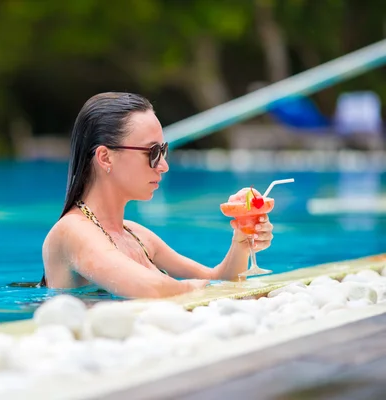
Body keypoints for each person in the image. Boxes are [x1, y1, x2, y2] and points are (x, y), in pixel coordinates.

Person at [40, 92, 274, 298]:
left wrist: (242, 239)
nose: (163, 165)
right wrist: (205, 290)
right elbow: (149, 288)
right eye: (152, 152)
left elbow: (219, 278)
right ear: (105, 157)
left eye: (163, 151)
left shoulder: (137, 235)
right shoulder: (72, 231)